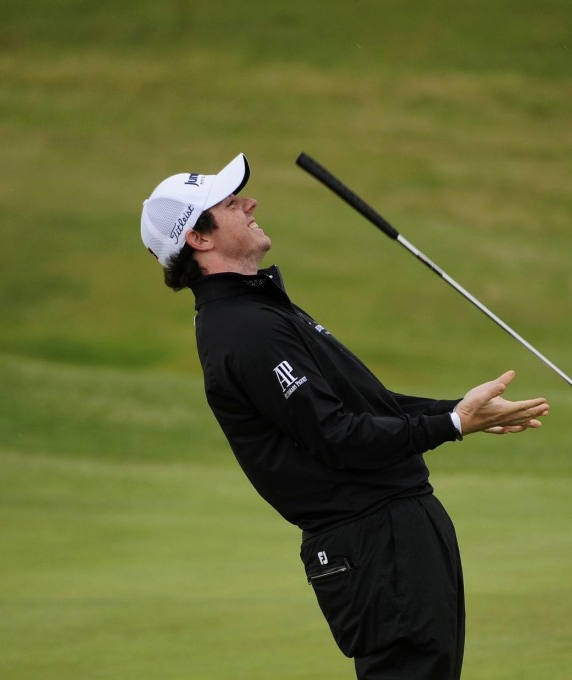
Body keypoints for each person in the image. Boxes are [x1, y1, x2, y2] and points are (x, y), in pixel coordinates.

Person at [140, 152, 549, 680]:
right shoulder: (243, 330)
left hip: (392, 533)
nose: (249, 203)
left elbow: (365, 408)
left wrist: (458, 411)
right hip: (372, 542)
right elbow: (340, 437)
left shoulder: (262, 310)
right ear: (199, 238)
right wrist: (449, 426)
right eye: (229, 202)